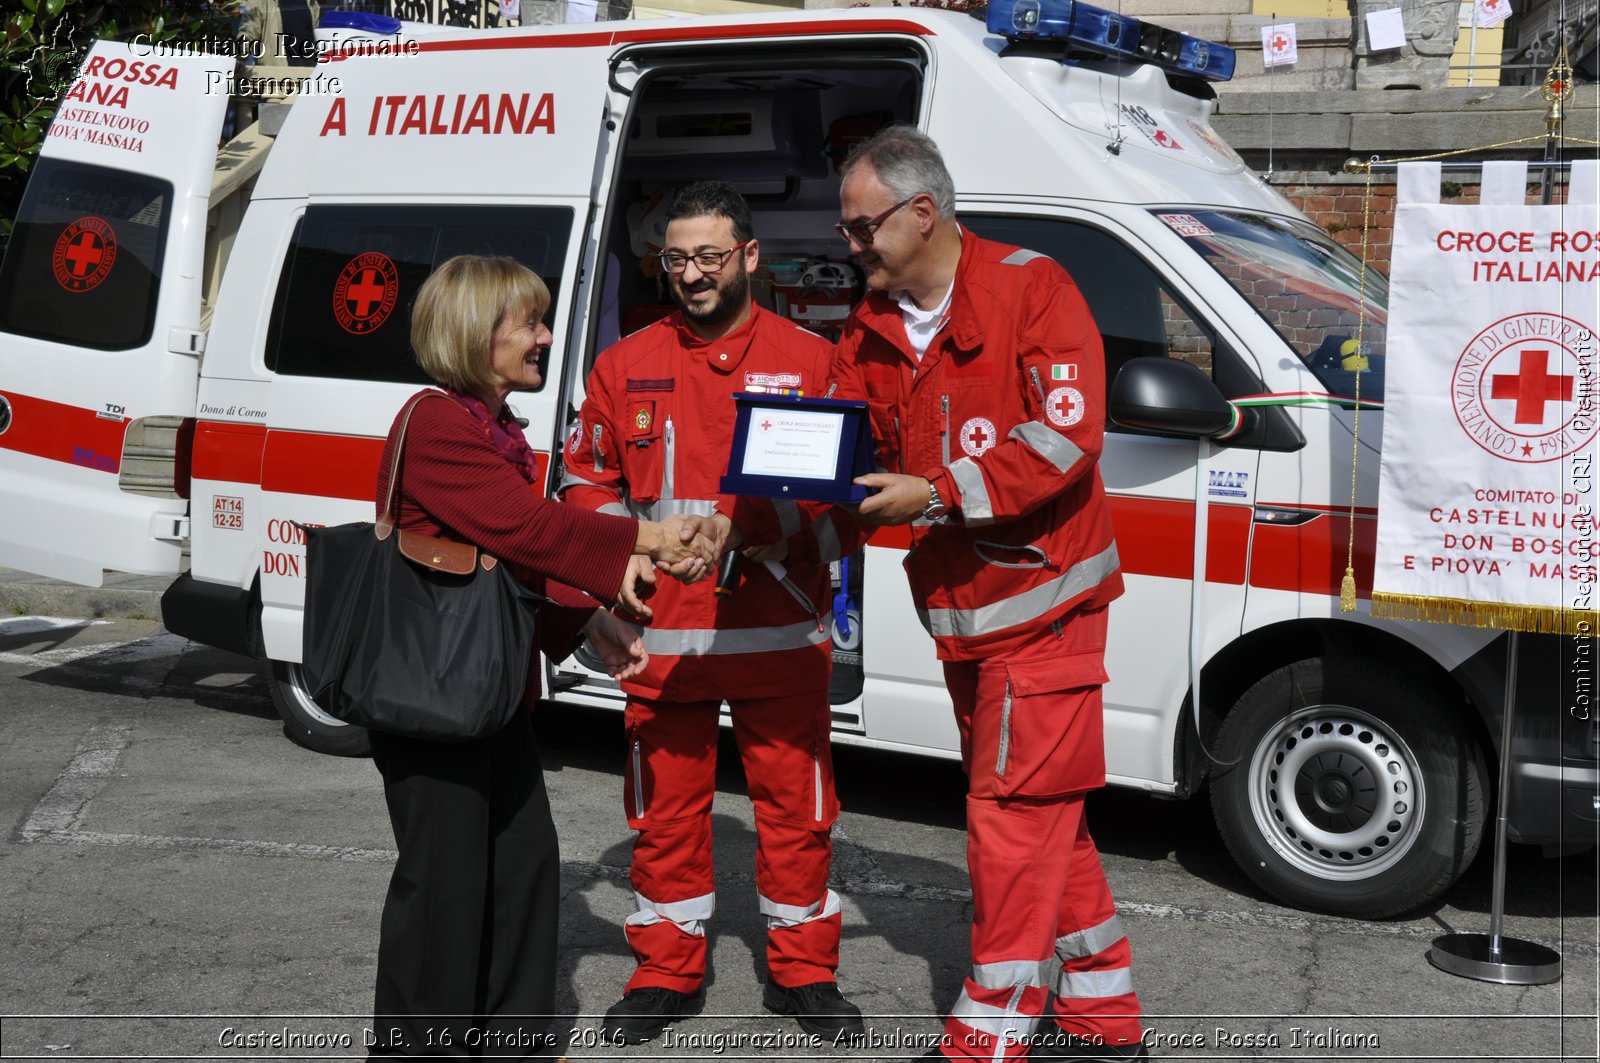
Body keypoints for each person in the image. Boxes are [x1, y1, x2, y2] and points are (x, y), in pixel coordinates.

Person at [828, 128, 1147, 1061]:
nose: (852, 247)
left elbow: (1064, 440)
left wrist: (936, 492)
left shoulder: (1032, 288)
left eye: (862, 228)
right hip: (965, 618)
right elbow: (843, 443)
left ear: (923, 213)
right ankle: (1101, 1015)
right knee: (1044, 814)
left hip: (1046, 608)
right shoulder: (872, 326)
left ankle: (987, 1036)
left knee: (1007, 825)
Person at [367, 254, 714, 1061]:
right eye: (528, 322)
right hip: (434, 696)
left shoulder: (499, 429)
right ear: (474, 332)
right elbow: (532, 532)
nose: (545, 336)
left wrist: (589, 621)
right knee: (444, 893)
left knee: (523, 868)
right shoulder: (438, 423)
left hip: (485, 692)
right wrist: (650, 534)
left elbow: (515, 560)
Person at [561, 181, 866, 1044]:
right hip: (662, 640)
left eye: (708, 257)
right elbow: (587, 488)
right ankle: (665, 969)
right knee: (662, 815)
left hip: (777, 633)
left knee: (799, 815)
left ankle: (803, 973)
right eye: (676, 258)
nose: (691, 274)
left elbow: (850, 502)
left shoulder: (813, 360)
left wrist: (769, 527)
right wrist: (635, 548)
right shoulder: (624, 364)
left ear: (749, 257)